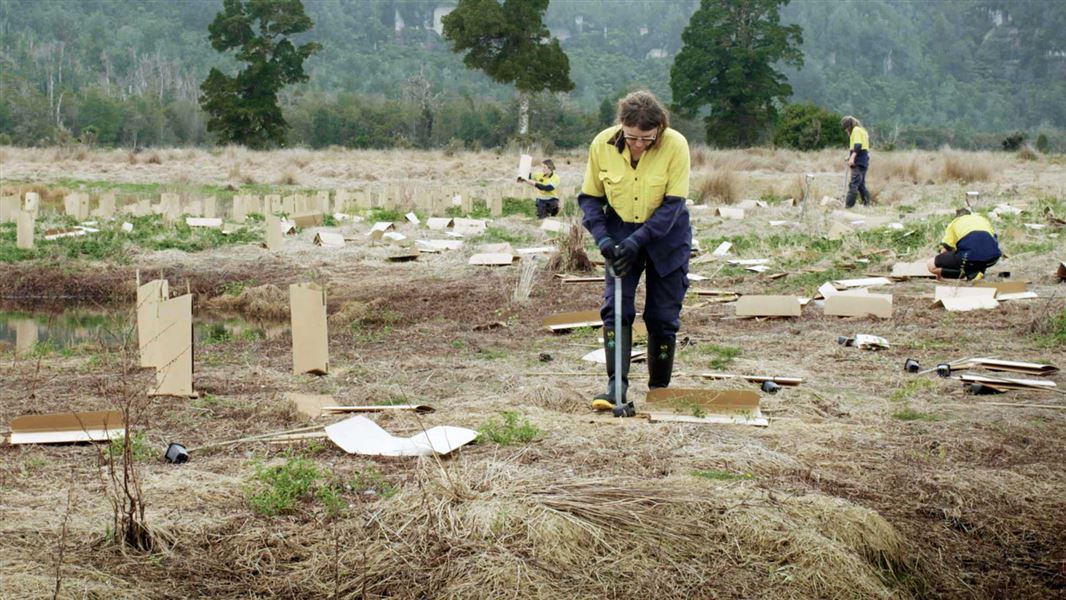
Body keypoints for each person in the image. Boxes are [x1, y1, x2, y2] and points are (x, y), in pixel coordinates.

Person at [577, 90, 691, 415]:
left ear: (659, 129)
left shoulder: (676, 145)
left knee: (662, 315)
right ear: (621, 127)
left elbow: (673, 206)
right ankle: (616, 387)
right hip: (619, 231)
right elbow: (589, 199)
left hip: (667, 235)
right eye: (631, 138)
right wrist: (602, 239)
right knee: (616, 308)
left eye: (646, 139)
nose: (638, 144)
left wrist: (637, 241)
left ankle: (660, 391)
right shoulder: (602, 144)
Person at [927, 208, 1001, 280]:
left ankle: (968, 273)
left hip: (970, 257)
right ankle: (977, 271)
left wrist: (939, 274)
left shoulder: (954, 222)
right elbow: (992, 241)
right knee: (978, 253)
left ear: (957, 217)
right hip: (993, 258)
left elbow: (946, 249)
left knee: (931, 265)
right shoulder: (982, 219)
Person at [841, 116, 871, 208]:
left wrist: (852, 158)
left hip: (858, 161)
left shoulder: (856, 130)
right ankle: (867, 204)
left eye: (845, 128)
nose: (846, 131)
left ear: (848, 126)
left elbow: (858, 145)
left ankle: (849, 206)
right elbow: (863, 148)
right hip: (864, 159)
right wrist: (849, 156)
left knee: (853, 183)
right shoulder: (862, 130)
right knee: (861, 184)